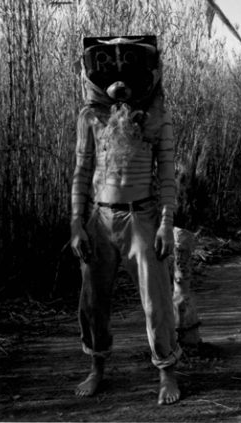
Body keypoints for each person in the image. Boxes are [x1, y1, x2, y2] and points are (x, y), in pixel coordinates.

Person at [70, 36, 181, 405]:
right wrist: (76, 223)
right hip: (99, 219)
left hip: (142, 218)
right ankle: (97, 368)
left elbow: (167, 176)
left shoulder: (156, 117)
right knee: (93, 300)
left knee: (156, 300)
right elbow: (82, 171)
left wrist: (166, 223)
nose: (119, 85)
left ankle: (166, 370)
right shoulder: (91, 116)